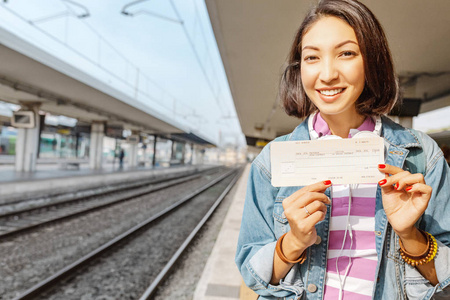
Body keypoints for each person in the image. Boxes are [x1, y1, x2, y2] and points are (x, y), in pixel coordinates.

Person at [235, 1, 450, 299]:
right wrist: (294, 241)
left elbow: (446, 281)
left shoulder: (419, 155)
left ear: (372, 60)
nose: (327, 74)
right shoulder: (272, 161)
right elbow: (252, 273)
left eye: (346, 53)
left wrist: (410, 236)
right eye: (312, 57)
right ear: (300, 68)